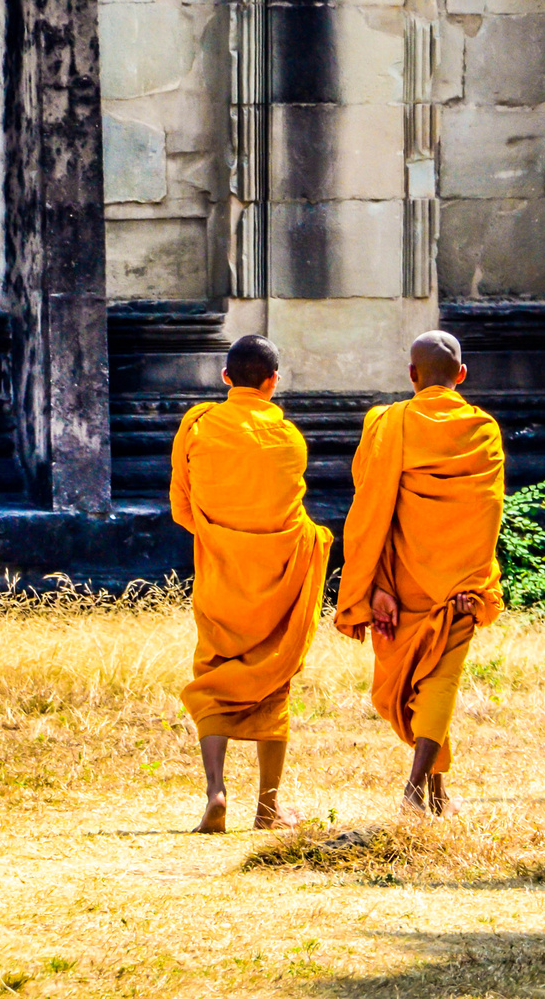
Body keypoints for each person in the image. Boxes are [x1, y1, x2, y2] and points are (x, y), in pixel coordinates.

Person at [335, 331, 505, 815]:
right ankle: (419, 790)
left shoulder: (389, 423)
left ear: (412, 375)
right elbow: (486, 512)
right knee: (439, 681)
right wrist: (475, 579)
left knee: (430, 682)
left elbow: (373, 508)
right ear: (462, 376)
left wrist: (378, 583)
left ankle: (432, 790)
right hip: (459, 583)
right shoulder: (483, 428)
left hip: (403, 578)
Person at [171, 335, 334, 833]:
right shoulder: (289, 438)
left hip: (222, 570)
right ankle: (268, 807)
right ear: (272, 382)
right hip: (278, 577)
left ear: (226, 378)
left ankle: (216, 791)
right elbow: (292, 511)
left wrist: (221, 536)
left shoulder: (198, 427)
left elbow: (182, 505)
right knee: (272, 679)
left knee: (214, 670)